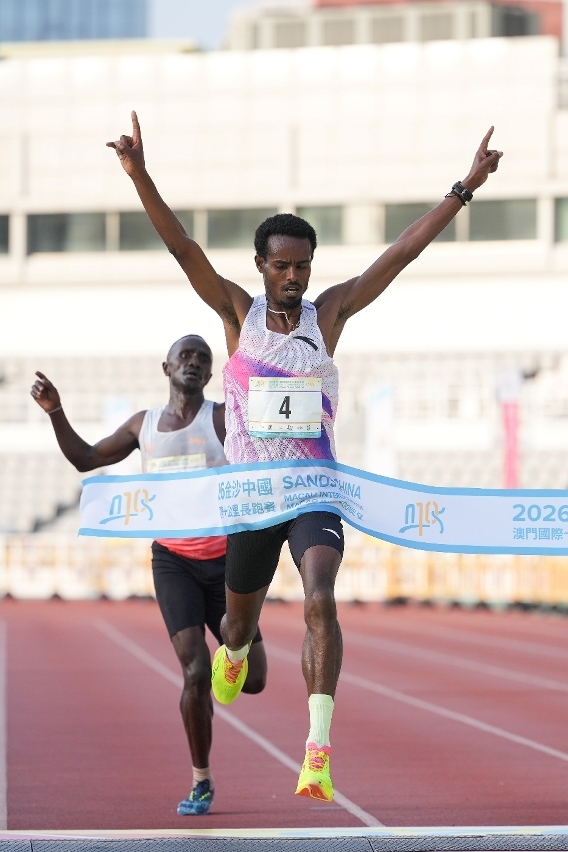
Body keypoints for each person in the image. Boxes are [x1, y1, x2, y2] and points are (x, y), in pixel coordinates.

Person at [107, 112, 502, 802]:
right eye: (282, 266)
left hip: (315, 489)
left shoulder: (331, 315)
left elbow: (400, 253)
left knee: (321, 597)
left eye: (303, 266)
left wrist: (464, 187)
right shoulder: (238, 314)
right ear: (261, 266)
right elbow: (182, 247)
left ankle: (317, 750)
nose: (293, 277)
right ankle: (235, 650)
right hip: (252, 497)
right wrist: (140, 176)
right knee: (237, 626)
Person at [30, 335, 267, 816]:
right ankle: (201, 779)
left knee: (256, 680)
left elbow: (265, 454)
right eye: (185, 356)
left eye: (202, 358)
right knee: (195, 672)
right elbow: (86, 459)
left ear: (210, 372)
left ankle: (230, 650)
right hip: (174, 562)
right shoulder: (144, 426)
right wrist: (56, 412)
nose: (193, 363)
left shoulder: (223, 419)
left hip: (227, 562)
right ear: (167, 368)